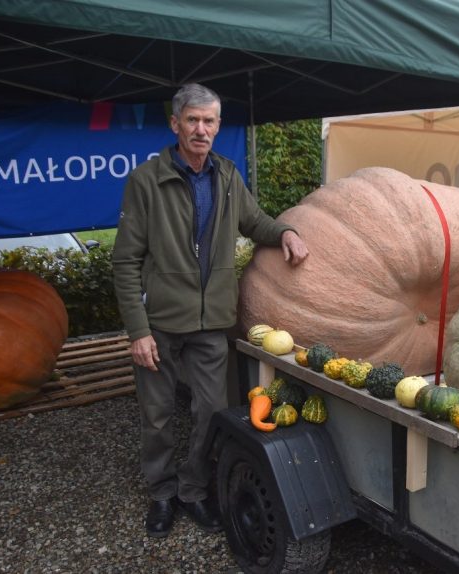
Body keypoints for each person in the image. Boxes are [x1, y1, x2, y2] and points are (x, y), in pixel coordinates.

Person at [112, 83, 309, 539]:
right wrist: (137, 331)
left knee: (212, 410)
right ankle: (161, 491)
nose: (201, 129)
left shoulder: (226, 175)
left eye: (210, 121)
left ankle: (193, 490)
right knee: (158, 414)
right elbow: (124, 261)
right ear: (175, 124)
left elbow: (254, 220)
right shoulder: (147, 181)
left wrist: (285, 233)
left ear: (218, 126)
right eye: (193, 121)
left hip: (211, 323)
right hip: (159, 322)